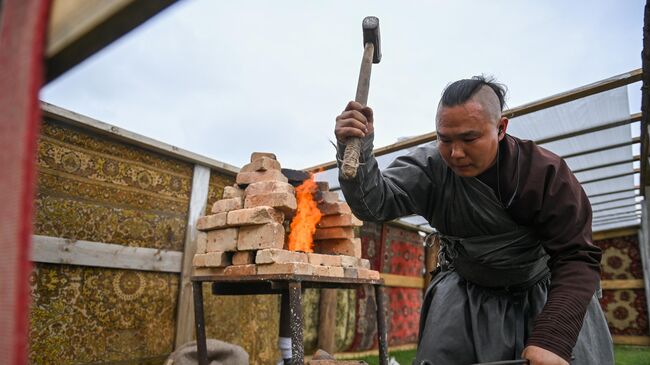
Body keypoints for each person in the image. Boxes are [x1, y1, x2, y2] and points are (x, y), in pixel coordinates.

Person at [334, 76, 614, 365]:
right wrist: (356, 148)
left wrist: (553, 338)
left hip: (540, 297)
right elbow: (374, 204)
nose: (456, 153)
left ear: (501, 128)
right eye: (445, 139)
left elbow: (576, 256)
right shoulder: (430, 169)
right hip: (464, 298)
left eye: (470, 138)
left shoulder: (543, 173)